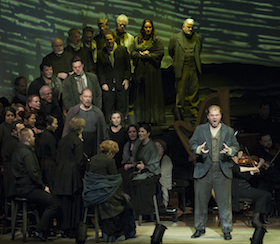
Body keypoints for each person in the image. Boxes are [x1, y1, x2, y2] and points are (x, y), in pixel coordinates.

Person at [188, 105, 239, 240]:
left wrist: (230, 151)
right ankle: (199, 228)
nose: (214, 118)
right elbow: (191, 143)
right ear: (208, 116)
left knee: (224, 202)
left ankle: (226, 230)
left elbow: (236, 146)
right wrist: (198, 149)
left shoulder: (228, 131)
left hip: (222, 169)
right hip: (203, 168)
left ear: (220, 116)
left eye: (216, 115)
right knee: (200, 201)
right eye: (212, 115)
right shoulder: (200, 130)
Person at [12, 128, 60, 241]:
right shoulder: (27, 153)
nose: (34, 138)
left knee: (44, 203)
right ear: (27, 139)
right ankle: (40, 231)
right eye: (33, 136)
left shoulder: (17, 151)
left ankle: (43, 231)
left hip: (20, 187)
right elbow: (33, 173)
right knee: (54, 203)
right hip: (28, 188)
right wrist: (43, 187)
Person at [83, 140, 136, 242]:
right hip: (104, 193)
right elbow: (115, 181)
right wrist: (122, 193)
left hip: (91, 193)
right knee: (125, 203)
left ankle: (107, 233)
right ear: (111, 152)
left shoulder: (93, 159)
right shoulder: (109, 161)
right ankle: (121, 233)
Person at [53, 117, 86, 238]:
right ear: (80, 128)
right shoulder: (77, 141)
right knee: (74, 203)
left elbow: (58, 158)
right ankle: (72, 229)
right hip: (72, 174)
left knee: (64, 203)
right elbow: (79, 162)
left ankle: (63, 228)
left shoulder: (62, 140)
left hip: (61, 172)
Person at [131, 19, 165, 125]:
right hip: (141, 72)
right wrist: (140, 54)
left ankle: (154, 119)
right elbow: (132, 52)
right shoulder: (137, 39)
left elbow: (160, 53)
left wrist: (149, 56)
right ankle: (142, 118)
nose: (148, 29)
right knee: (141, 95)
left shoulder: (156, 40)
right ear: (143, 28)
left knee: (153, 95)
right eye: (146, 27)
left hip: (152, 72)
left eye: (150, 27)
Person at [169, 18, 202, 119]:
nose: (190, 29)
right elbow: (171, 51)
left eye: (191, 27)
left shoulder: (198, 38)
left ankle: (194, 109)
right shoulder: (175, 38)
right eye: (188, 27)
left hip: (193, 66)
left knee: (194, 89)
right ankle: (180, 110)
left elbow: (199, 50)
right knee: (181, 90)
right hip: (182, 67)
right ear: (183, 27)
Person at [231, 151, 272, 228]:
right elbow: (237, 169)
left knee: (267, 194)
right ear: (239, 153)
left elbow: (246, 177)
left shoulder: (241, 164)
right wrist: (252, 168)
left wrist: (252, 172)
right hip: (238, 190)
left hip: (245, 188)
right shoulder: (230, 164)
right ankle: (256, 220)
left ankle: (261, 217)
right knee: (263, 195)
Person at [62, 89, 106, 158]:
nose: (88, 99)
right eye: (85, 96)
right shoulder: (73, 111)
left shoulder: (97, 112)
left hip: (93, 141)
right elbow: (66, 128)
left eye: (90, 97)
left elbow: (103, 129)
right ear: (81, 98)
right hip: (79, 141)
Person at [97, 30, 130, 121]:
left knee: (121, 108)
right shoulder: (101, 53)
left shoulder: (122, 50)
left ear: (114, 39)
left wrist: (126, 79)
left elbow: (128, 67)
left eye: (111, 39)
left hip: (121, 83)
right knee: (108, 109)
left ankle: (122, 127)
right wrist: (103, 83)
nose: (109, 41)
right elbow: (100, 70)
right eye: (107, 40)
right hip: (108, 84)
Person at [130, 124, 161, 216]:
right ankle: (132, 210)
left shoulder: (151, 146)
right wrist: (138, 166)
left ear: (148, 133)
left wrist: (144, 167)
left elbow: (154, 163)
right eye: (139, 131)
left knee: (140, 183)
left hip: (152, 173)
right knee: (128, 179)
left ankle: (144, 212)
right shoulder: (139, 144)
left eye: (142, 131)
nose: (140, 133)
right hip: (141, 170)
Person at [1, 121, 25, 199]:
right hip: (12, 177)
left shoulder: (11, 141)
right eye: (21, 130)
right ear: (14, 131)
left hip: (11, 175)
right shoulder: (14, 143)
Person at [38, 115, 58, 192]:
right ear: (48, 124)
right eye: (55, 123)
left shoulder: (43, 135)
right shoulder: (50, 137)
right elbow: (54, 154)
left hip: (43, 163)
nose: (56, 126)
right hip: (50, 164)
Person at [154, 139, 173, 208]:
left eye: (160, 146)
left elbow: (163, 174)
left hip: (161, 181)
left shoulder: (166, 160)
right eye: (156, 146)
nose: (158, 147)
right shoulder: (152, 159)